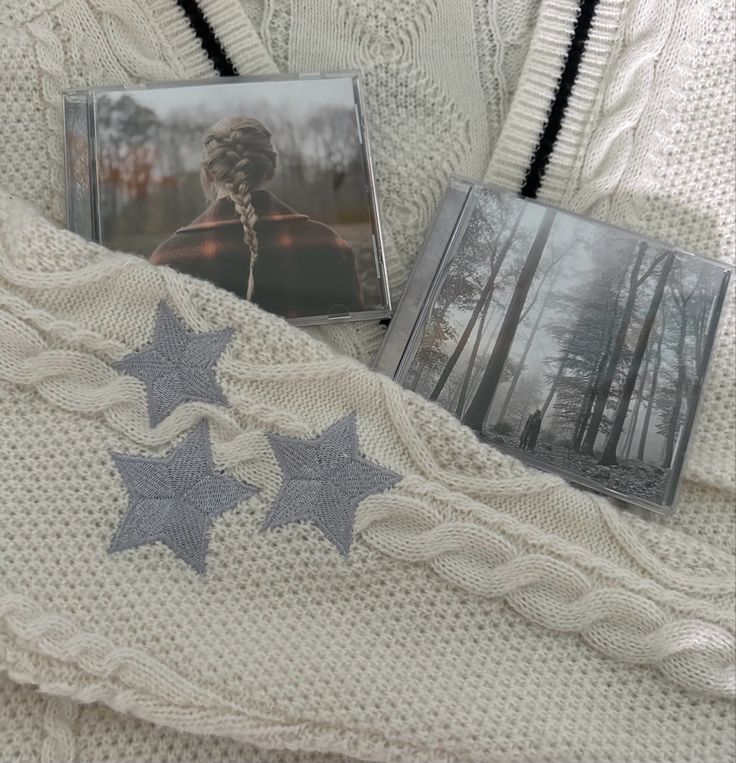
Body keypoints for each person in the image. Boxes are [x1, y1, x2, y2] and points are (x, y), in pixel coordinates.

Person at [150, 116, 364, 319]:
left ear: (209, 174)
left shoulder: (168, 259)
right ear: (271, 169)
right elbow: (352, 335)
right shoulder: (328, 244)